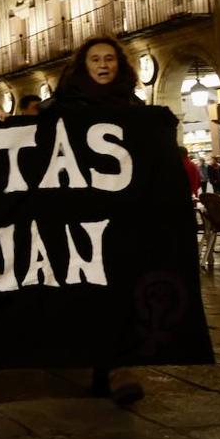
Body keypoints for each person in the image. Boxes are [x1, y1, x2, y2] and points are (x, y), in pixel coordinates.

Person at [45, 36, 145, 406]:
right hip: (80, 213)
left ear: (119, 64)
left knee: (119, 286)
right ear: (82, 67)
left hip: (124, 211)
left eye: (109, 59)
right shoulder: (62, 108)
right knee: (95, 290)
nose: (103, 65)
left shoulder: (135, 106)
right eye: (95, 60)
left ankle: (112, 367)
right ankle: (113, 368)